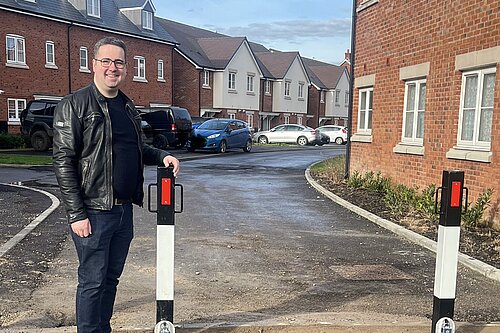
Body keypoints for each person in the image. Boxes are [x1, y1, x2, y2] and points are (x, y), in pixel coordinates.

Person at [53, 36, 179, 333]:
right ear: (93, 65)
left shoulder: (126, 106)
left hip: (123, 212)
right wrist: (76, 214)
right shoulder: (75, 105)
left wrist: (164, 156)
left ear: (125, 67)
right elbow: (63, 161)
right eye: (106, 61)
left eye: (119, 62)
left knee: (110, 279)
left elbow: (137, 148)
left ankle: (102, 329)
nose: (113, 67)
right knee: (93, 281)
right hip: (93, 212)